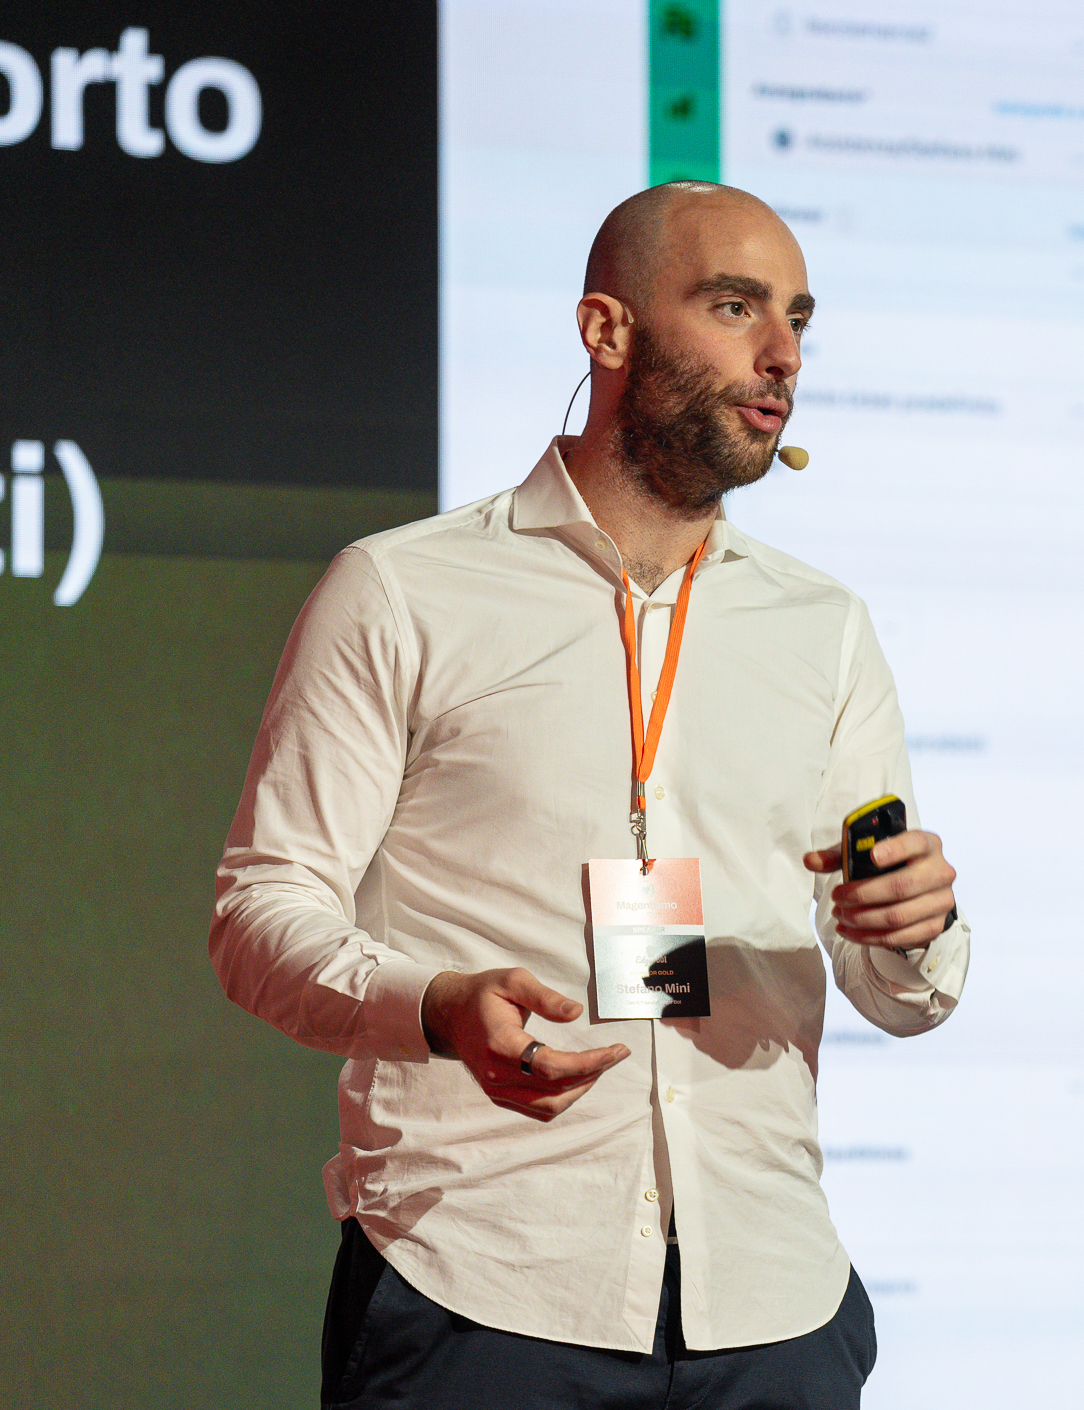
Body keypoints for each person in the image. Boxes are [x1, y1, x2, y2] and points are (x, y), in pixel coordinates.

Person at [210, 181, 969, 1408]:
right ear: (607, 330)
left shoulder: (823, 629)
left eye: (798, 320)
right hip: (482, 1287)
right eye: (736, 307)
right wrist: (436, 1008)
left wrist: (912, 928)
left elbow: (903, 992)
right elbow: (259, 916)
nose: (783, 355)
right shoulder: (403, 592)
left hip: (772, 1301)